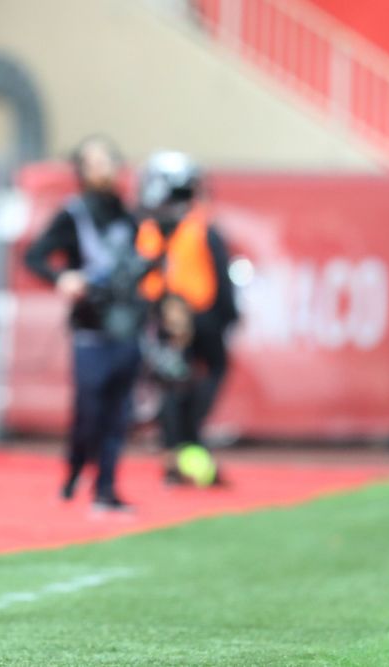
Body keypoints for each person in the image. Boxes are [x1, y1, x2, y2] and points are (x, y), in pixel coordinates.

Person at [24, 136, 142, 511]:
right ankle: (76, 468)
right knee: (89, 412)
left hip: (127, 326)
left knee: (118, 413)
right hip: (90, 329)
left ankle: (106, 488)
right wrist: (63, 278)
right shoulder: (74, 214)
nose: (104, 167)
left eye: (108, 159)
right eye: (95, 161)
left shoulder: (129, 215)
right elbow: (35, 257)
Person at [135, 151, 237, 484]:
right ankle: (182, 450)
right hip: (178, 319)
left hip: (192, 319)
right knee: (176, 386)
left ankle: (183, 450)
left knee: (184, 384)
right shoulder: (191, 227)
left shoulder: (170, 228)